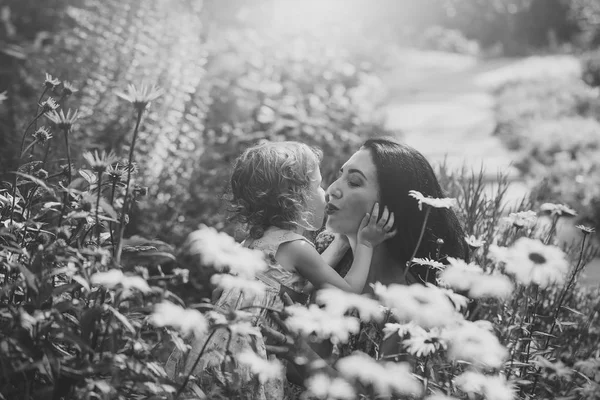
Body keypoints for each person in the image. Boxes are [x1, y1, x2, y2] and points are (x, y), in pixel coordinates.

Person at [166, 141, 395, 399]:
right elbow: (347, 292)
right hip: (250, 361)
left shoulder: (255, 241)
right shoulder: (296, 247)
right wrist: (364, 243)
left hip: (218, 351)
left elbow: (304, 283)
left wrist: (341, 241)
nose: (327, 192)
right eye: (317, 185)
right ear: (295, 198)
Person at [264, 137, 469, 381]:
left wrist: (300, 354)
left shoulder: (407, 306)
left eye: (353, 182)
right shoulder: (328, 252)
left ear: (390, 208)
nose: (331, 190)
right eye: (341, 176)